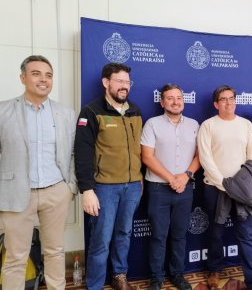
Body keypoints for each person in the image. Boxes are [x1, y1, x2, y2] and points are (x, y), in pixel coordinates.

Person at [0, 55, 76, 289]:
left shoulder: (65, 113)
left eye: (48, 75)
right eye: (36, 74)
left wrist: (69, 187)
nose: (43, 80)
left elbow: (73, 152)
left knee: (55, 251)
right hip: (16, 192)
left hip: (56, 191)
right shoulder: (3, 111)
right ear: (23, 78)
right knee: (15, 257)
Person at [74, 63, 143, 290]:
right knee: (101, 240)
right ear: (106, 82)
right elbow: (82, 153)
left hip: (132, 186)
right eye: (119, 81)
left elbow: (137, 149)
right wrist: (87, 190)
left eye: (127, 82)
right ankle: (94, 285)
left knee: (124, 233)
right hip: (104, 188)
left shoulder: (135, 111)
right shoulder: (91, 112)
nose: (124, 86)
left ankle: (119, 276)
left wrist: (139, 179)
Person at [197, 85, 252, 290]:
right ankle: (214, 270)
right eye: (223, 99)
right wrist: (223, 183)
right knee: (215, 232)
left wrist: (238, 183)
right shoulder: (208, 125)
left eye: (232, 98)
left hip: (242, 188)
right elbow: (205, 158)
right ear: (216, 104)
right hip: (215, 187)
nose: (229, 102)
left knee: (246, 233)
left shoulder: (246, 125)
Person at [141, 84, 200, 290]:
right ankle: (156, 278)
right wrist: (172, 179)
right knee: (158, 235)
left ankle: (177, 274)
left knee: (179, 234)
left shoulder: (194, 124)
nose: (176, 101)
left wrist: (185, 176)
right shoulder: (152, 124)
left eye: (179, 97)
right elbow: (147, 157)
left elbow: (199, 156)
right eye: (170, 98)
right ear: (162, 102)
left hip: (185, 188)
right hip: (158, 189)